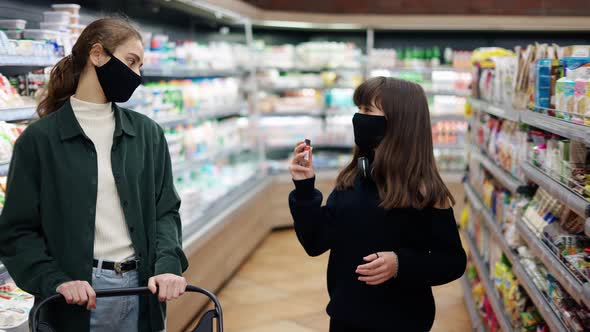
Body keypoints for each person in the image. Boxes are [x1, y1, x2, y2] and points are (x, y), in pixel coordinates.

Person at [0, 18, 188, 332]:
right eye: (131, 62)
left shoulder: (146, 134)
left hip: (143, 288)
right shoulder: (40, 140)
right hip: (77, 298)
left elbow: (165, 211)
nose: (137, 75)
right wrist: (55, 281)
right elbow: (17, 232)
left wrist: (168, 265)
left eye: (140, 66)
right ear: (97, 54)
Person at [288, 77, 467, 332]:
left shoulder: (426, 191)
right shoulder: (353, 179)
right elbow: (315, 242)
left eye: (368, 110)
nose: (359, 118)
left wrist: (400, 264)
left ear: (399, 122)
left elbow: (452, 261)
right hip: (346, 316)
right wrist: (305, 189)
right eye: (359, 109)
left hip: (403, 321)